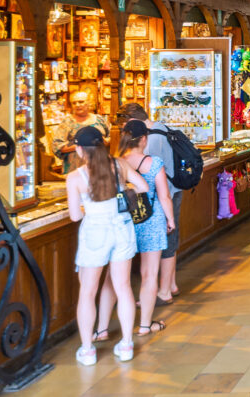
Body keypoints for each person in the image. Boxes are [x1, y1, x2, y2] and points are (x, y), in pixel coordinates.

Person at [66, 126, 147, 366]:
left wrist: (87, 206)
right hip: (122, 228)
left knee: (88, 292)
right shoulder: (119, 166)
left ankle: (88, 350)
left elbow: (74, 217)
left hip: (95, 232)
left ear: (80, 150)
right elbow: (142, 186)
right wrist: (125, 193)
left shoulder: (76, 177)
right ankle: (126, 345)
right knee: (123, 287)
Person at [94, 120, 176, 340]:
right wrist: (170, 219)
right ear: (144, 139)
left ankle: (101, 329)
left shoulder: (115, 163)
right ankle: (144, 325)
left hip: (124, 222)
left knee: (113, 277)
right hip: (151, 221)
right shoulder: (154, 163)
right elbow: (164, 196)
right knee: (149, 274)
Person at [115, 103, 180, 305]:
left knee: (144, 265)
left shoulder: (120, 160)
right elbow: (162, 193)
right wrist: (170, 218)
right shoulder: (162, 131)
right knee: (155, 261)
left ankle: (163, 290)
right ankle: (166, 289)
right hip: (158, 209)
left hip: (143, 210)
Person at [52, 90, 110, 173]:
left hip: (99, 166)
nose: (77, 105)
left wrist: (106, 141)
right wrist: (82, 145)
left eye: (81, 102)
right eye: (74, 103)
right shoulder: (67, 122)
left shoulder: (100, 120)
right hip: (75, 167)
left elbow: (112, 137)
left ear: (89, 103)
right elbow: (57, 146)